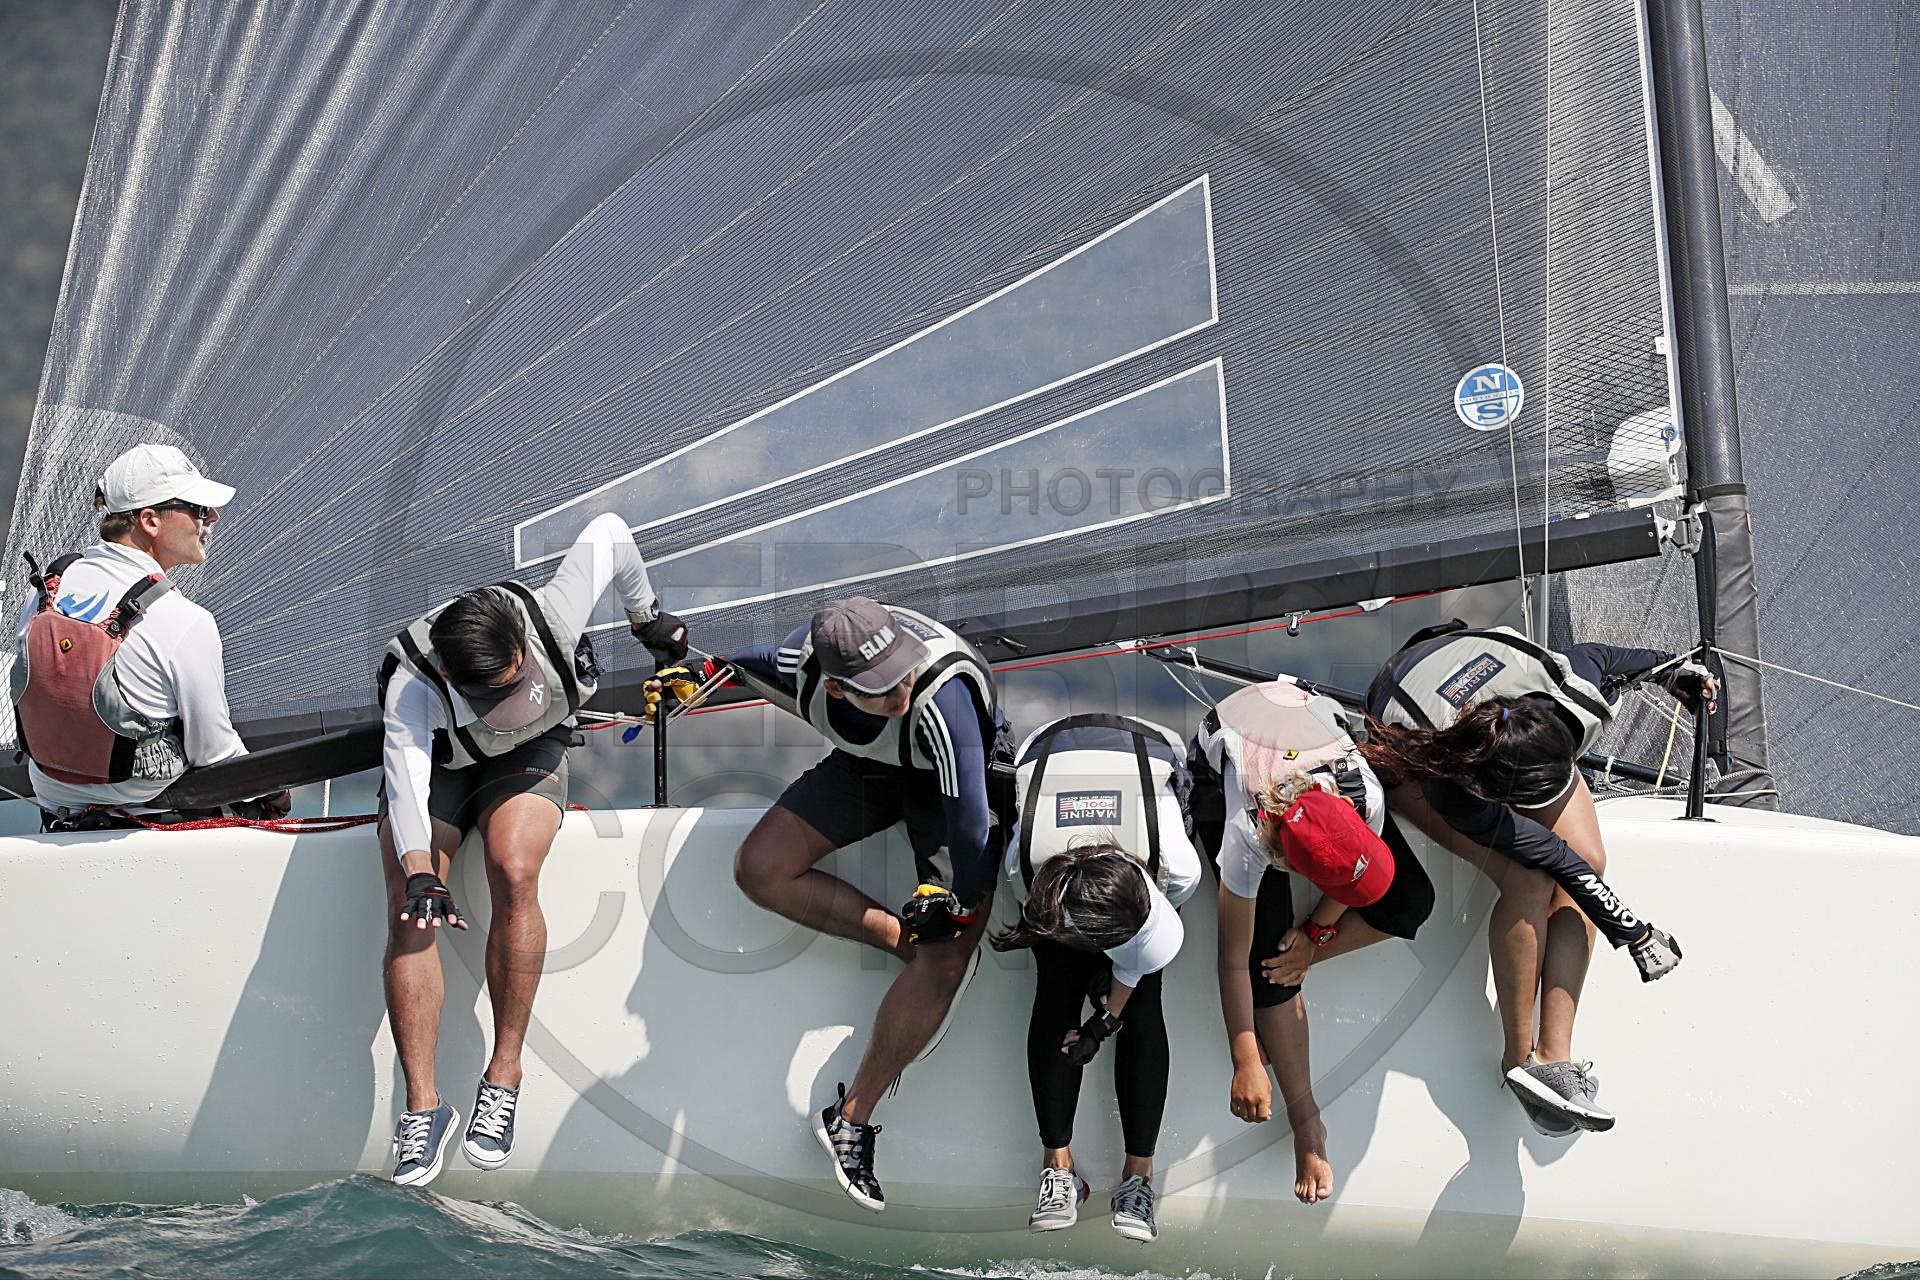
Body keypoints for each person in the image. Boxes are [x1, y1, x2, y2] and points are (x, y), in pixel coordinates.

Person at [375, 511, 687, 1187]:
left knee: (514, 869)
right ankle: (423, 1107)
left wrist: (647, 619)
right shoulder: (413, 688)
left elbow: (610, 532)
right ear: (452, 678)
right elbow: (406, 784)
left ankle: (505, 1074)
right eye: (493, 694)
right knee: (411, 905)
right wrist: (421, 872)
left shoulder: (553, 615)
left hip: (532, 746)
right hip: (446, 760)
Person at [721, 596, 1012, 1212]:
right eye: (880, 687)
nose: (900, 690)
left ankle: (851, 1117)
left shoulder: (938, 697)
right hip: (868, 767)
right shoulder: (795, 666)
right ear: (833, 687)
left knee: (948, 956)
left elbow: (970, 828)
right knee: (758, 869)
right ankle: (902, 942)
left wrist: (959, 906)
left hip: (949, 783)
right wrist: (691, 664)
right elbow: (738, 660)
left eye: (901, 671)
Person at [1361, 621, 1704, 1135]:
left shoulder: (1567, 699)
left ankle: (1554, 1057)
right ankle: (1519, 1061)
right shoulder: (1450, 785)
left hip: (1508, 722)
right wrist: (1633, 932)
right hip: (1419, 760)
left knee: (1589, 860)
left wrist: (1673, 670)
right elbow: (1552, 857)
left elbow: (1600, 655)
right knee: (1528, 879)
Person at [1188, 676, 1435, 1206]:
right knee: (1263, 966)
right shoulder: (1246, 836)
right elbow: (1231, 960)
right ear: (1289, 866)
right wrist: (1245, 1057)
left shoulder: (1364, 796)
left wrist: (1313, 936)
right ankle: (1308, 1124)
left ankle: (1296, 957)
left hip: (1306, 739)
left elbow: (1362, 878)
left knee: (1411, 902)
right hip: (1228, 758)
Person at [991, 712, 1203, 1243]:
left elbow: (1139, 961)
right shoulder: (1028, 870)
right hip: (1050, 765)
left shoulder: (1175, 868)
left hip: (1146, 758)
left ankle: (1139, 1177)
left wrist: (1104, 1023)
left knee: (1143, 1005)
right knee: (1056, 989)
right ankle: (1058, 1167)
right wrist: (1091, 1018)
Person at [10, 443, 283, 829]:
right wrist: (271, 790)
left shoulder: (47, 591)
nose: (213, 517)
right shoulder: (184, 619)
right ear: (150, 521)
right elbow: (214, 753)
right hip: (144, 809)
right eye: (198, 509)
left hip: (55, 805)